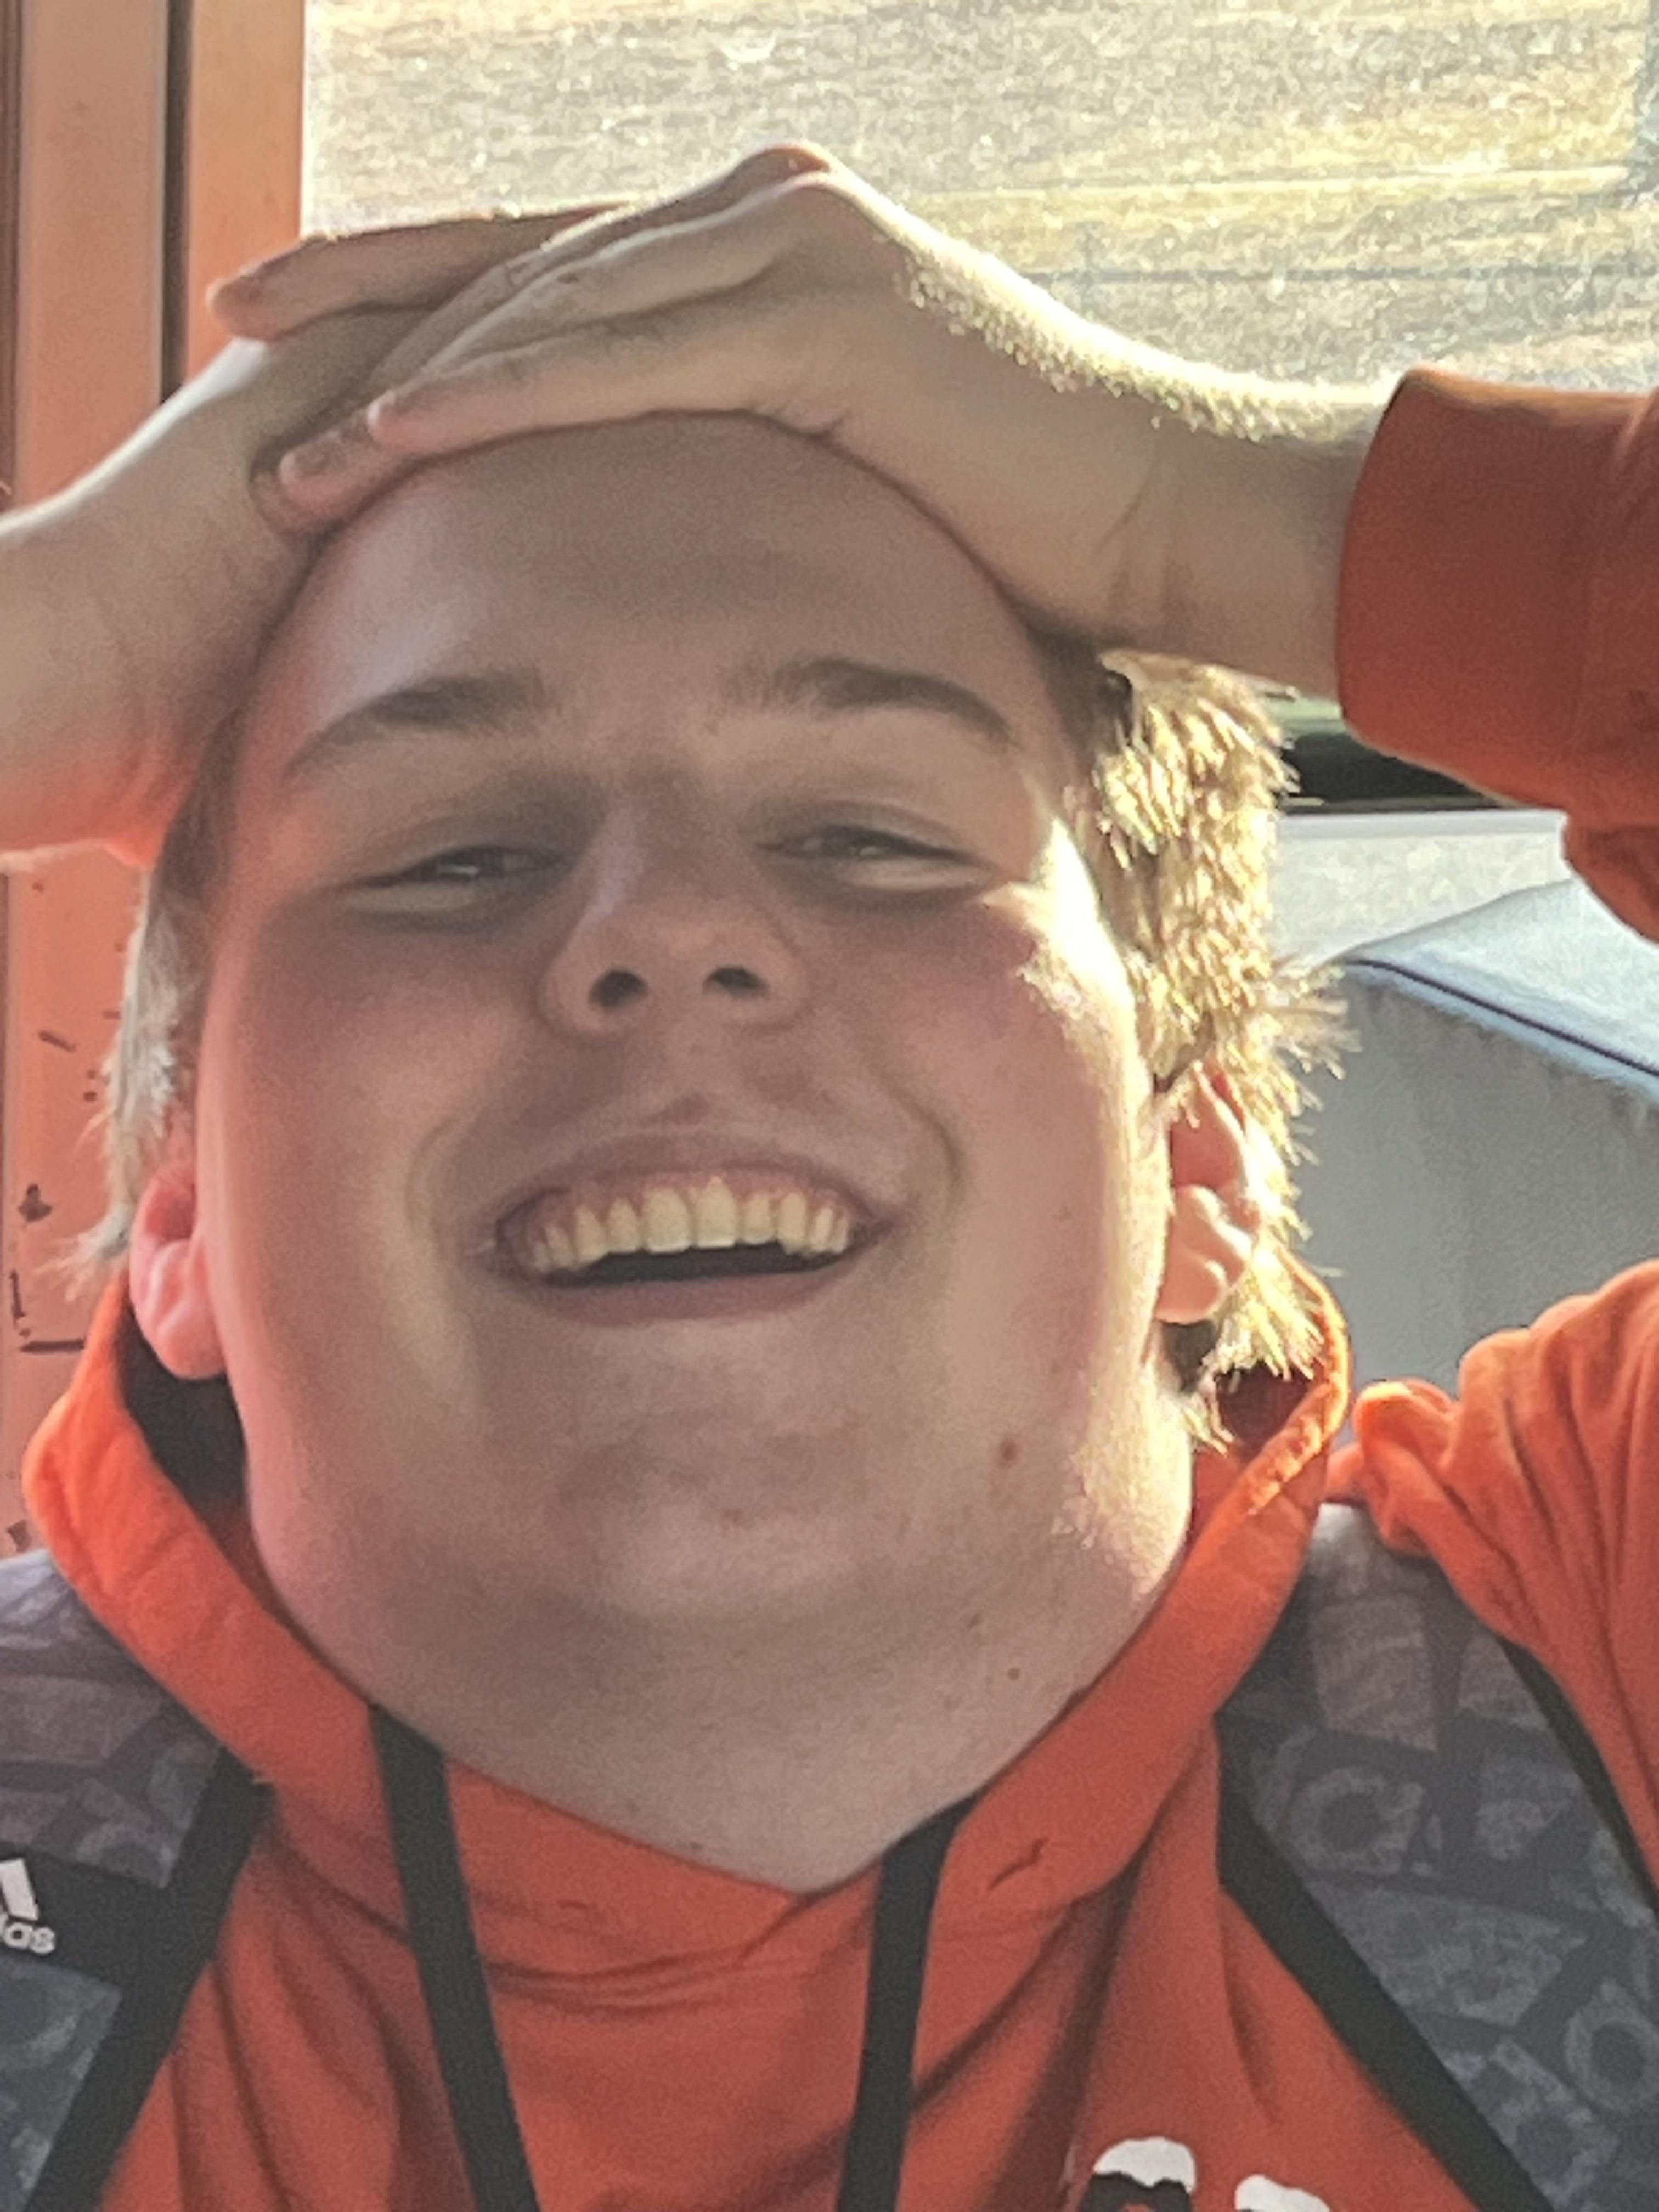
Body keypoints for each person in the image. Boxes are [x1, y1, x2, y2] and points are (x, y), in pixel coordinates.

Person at [1, 146, 1656, 2212]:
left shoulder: (1600, 1661)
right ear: (178, 1215)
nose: (662, 930)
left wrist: (1210, 506)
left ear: (1200, 1148)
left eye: (870, 838)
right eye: (456, 856)